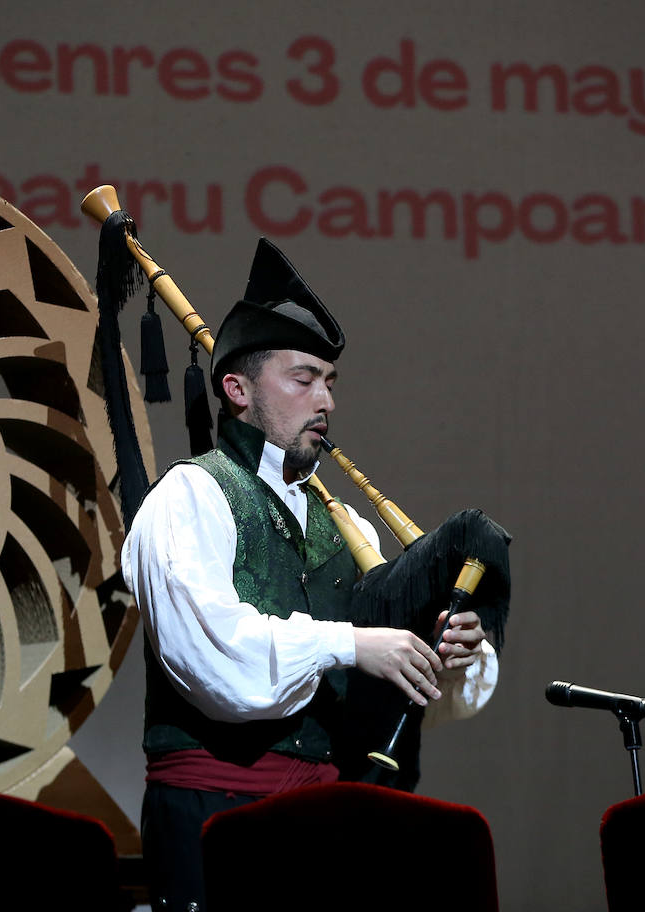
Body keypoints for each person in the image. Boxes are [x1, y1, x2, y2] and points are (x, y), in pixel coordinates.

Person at [122, 238, 505, 911]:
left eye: (330, 382)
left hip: (326, 818)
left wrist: (448, 651)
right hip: (214, 811)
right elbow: (213, 653)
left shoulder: (343, 524)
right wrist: (354, 642)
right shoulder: (192, 495)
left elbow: (385, 688)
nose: (323, 399)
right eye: (302, 379)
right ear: (236, 390)